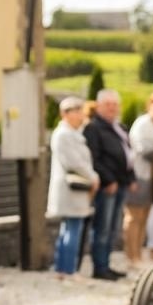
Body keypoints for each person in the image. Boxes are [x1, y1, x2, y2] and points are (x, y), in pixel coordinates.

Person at [84, 88, 134, 281]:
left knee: (113, 228)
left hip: (120, 183)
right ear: (99, 106)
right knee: (102, 228)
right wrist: (108, 179)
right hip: (107, 186)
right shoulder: (94, 128)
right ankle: (100, 267)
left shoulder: (117, 127)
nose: (112, 108)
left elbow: (127, 154)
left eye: (115, 104)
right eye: (108, 104)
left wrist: (130, 178)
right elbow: (94, 159)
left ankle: (107, 264)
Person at [48, 96, 97, 278]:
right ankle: (67, 270)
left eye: (79, 111)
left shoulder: (72, 133)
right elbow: (75, 162)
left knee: (68, 229)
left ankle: (62, 269)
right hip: (70, 189)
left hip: (73, 190)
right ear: (65, 114)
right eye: (75, 111)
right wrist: (93, 177)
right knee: (72, 230)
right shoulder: (63, 134)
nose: (79, 115)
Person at [124, 91, 153, 265]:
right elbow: (143, 150)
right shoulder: (142, 124)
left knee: (145, 216)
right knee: (134, 216)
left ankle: (138, 254)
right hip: (139, 175)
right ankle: (131, 255)